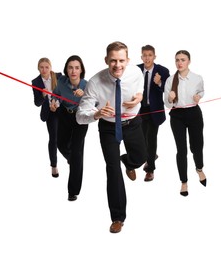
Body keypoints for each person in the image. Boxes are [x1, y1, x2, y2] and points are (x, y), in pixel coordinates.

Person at [76, 41, 147, 233]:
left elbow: (139, 87)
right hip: (108, 127)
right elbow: (80, 116)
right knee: (112, 169)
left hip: (132, 123)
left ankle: (130, 162)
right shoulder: (95, 82)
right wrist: (97, 114)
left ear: (128, 60)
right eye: (113, 61)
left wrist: (139, 97)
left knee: (142, 157)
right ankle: (117, 217)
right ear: (106, 60)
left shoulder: (136, 73)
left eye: (121, 60)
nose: (118, 65)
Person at [164, 50, 207, 197]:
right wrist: (170, 98)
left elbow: (201, 91)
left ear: (189, 61)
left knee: (197, 145)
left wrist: (198, 97)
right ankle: (183, 181)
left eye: (183, 59)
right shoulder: (170, 80)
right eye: (177, 60)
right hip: (177, 116)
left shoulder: (197, 78)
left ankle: (199, 169)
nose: (179, 63)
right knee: (181, 150)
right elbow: (167, 105)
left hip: (194, 113)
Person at [50, 55, 88, 201]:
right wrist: (54, 102)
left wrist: (84, 96)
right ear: (66, 69)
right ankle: (73, 160)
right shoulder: (61, 82)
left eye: (77, 68)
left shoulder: (87, 85)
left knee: (77, 152)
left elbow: (96, 104)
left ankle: (73, 191)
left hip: (81, 117)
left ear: (81, 70)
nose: (73, 71)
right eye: (70, 67)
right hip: (65, 115)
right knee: (60, 144)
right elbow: (56, 95)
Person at [137, 45, 170, 181]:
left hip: (154, 110)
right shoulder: (136, 70)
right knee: (141, 138)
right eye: (144, 55)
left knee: (151, 138)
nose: (147, 58)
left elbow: (168, 91)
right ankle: (151, 155)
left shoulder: (162, 70)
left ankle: (150, 169)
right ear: (141, 57)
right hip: (139, 109)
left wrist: (159, 83)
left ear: (154, 57)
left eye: (150, 55)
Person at [32, 58, 62, 178]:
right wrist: (43, 96)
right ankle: (54, 165)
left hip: (62, 110)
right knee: (54, 138)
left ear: (50, 67)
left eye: (46, 67)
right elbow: (37, 103)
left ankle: (70, 157)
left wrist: (56, 102)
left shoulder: (59, 76)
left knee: (67, 136)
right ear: (38, 68)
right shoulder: (36, 82)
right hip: (50, 114)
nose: (44, 70)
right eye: (41, 67)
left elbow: (63, 94)